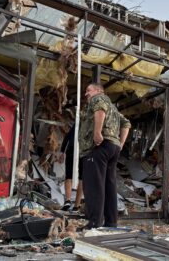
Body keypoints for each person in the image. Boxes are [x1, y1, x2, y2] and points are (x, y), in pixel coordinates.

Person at [79, 83, 131, 229]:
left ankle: (95, 222)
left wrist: (97, 132)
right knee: (109, 185)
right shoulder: (113, 108)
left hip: (99, 147)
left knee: (94, 185)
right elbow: (126, 123)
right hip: (112, 148)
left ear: (98, 90)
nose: (86, 94)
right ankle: (111, 222)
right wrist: (120, 143)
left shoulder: (98, 99)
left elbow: (100, 111)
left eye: (88, 90)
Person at [60, 125, 84, 211]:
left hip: (72, 150)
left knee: (69, 176)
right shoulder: (89, 123)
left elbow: (67, 136)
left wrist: (62, 151)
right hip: (82, 152)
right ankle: (76, 205)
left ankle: (68, 200)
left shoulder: (77, 123)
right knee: (81, 178)